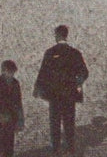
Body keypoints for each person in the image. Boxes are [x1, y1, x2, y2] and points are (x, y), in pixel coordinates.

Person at [34, 24, 89, 155]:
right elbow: (84, 72)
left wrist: (37, 88)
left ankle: (56, 149)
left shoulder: (50, 52)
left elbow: (43, 72)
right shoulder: (75, 53)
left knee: (55, 122)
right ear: (66, 35)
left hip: (55, 95)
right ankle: (70, 148)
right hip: (69, 94)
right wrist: (77, 83)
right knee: (69, 121)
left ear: (57, 36)